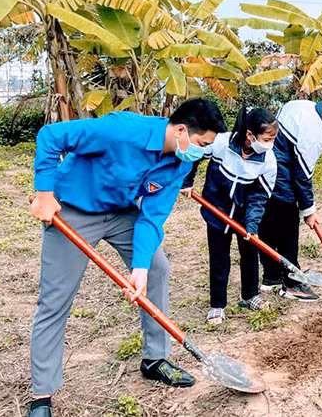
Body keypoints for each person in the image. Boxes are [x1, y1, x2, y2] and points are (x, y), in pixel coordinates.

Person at [28, 99, 227, 417]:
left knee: (157, 267)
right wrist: (45, 194)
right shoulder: (119, 131)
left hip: (121, 211)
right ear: (180, 130)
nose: (202, 152)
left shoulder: (180, 162)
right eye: (202, 144)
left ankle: (155, 359)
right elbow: (51, 136)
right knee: (55, 300)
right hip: (73, 209)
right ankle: (42, 394)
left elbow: (152, 216)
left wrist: (140, 267)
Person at [181, 106, 278, 325]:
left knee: (250, 256)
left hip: (245, 215)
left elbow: (259, 196)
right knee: (219, 259)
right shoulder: (222, 142)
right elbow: (195, 154)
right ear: (250, 135)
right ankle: (217, 305)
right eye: (266, 138)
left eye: (273, 139)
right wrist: (187, 181)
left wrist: (252, 225)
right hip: (217, 209)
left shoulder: (268, 161)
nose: (269, 144)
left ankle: (250, 295)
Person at [258, 95, 322, 301]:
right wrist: (308, 210)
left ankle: (271, 277)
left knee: (267, 225)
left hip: (262, 171)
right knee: (288, 230)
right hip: (280, 178)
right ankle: (292, 284)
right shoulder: (314, 132)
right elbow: (303, 175)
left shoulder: (301, 105)